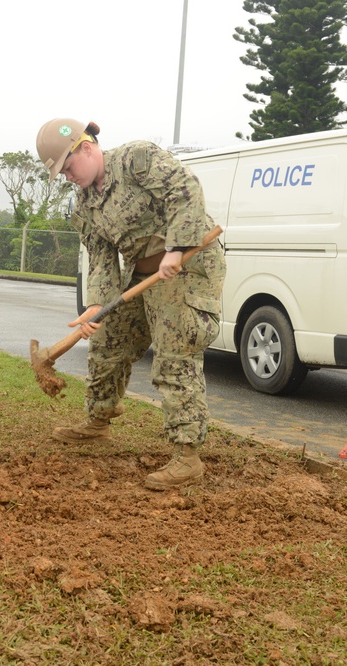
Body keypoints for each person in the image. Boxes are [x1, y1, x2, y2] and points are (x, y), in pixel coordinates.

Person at [35, 118, 226, 490]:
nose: (68, 177)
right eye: (61, 174)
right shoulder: (85, 204)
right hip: (141, 275)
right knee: (108, 341)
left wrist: (176, 246)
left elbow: (185, 191)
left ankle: (188, 457)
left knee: (175, 354)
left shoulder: (137, 160)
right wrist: (96, 306)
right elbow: (102, 258)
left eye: (68, 167)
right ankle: (97, 422)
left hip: (187, 266)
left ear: (86, 148)